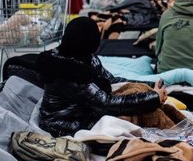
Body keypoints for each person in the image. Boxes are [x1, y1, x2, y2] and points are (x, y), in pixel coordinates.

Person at [37, 17, 168, 137]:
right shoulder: (68, 71)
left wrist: (150, 86)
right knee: (128, 118)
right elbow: (106, 104)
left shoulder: (84, 55)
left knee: (138, 101)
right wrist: (154, 98)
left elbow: (111, 79)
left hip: (83, 112)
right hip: (63, 125)